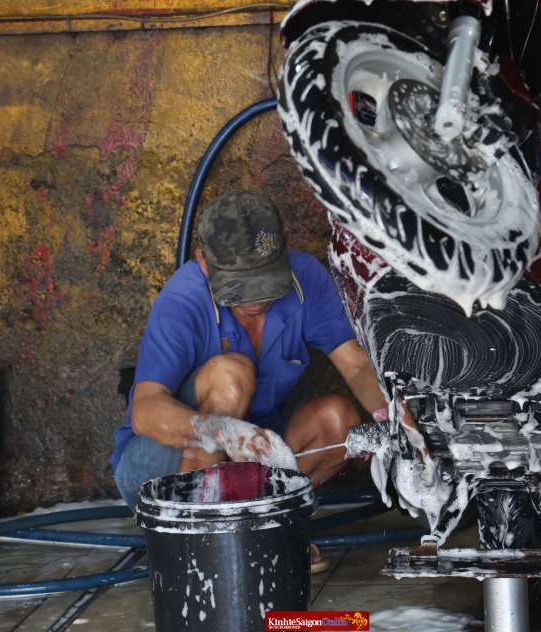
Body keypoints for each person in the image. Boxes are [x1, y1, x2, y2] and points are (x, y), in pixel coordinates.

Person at [112, 191, 388, 516]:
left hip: (254, 447)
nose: (255, 302)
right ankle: (199, 527)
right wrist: (223, 432)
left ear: (284, 248)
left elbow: (356, 367)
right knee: (231, 376)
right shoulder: (182, 300)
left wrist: (394, 419)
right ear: (204, 262)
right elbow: (144, 411)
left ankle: (263, 522)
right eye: (239, 288)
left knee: (338, 420)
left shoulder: (306, 279)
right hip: (157, 467)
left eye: (264, 283)